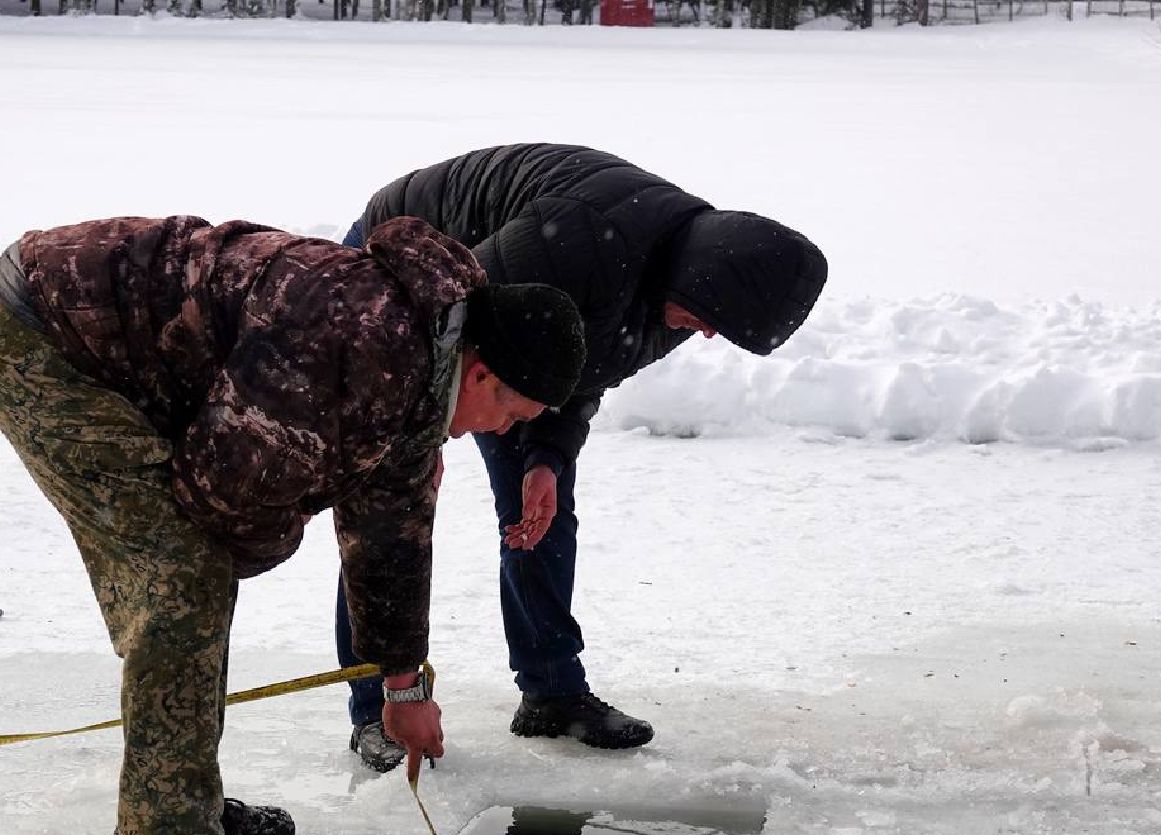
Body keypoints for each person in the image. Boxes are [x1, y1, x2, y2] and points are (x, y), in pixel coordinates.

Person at [0, 213, 585, 835]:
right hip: (42, 337)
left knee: (190, 576)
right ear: (481, 371)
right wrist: (316, 488)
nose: (503, 433)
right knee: (181, 581)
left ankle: (174, 804)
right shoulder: (359, 343)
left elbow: (391, 537)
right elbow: (224, 499)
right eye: (511, 413)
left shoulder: (421, 363)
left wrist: (403, 683)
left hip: (116, 343)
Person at [336, 144, 829, 772]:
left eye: (719, 329)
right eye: (709, 319)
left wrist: (546, 457)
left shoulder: (676, 299)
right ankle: (375, 707)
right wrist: (417, 439)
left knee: (541, 507)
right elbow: (454, 330)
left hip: (507, 301)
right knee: (389, 515)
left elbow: (575, 366)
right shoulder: (583, 240)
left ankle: (551, 692)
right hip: (426, 272)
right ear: (696, 280)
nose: (704, 333)